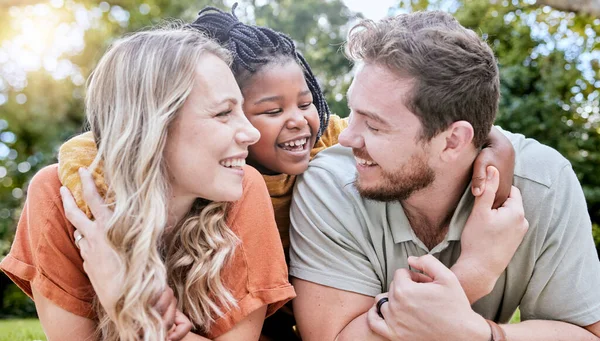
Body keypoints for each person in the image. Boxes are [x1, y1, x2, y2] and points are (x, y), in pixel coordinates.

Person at [55, 6, 524, 340]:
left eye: (305, 103)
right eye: (241, 112)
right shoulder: (225, 177)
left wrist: (492, 146)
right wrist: (104, 217)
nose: (299, 119)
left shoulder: (319, 147)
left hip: (285, 309)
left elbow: (430, 129)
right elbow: (91, 149)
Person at [289, 10, 600, 341]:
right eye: (353, 112)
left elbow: (586, 334)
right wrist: (474, 273)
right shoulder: (330, 184)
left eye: (375, 125)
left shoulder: (543, 183)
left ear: (453, 141)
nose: (347, 138)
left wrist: (483, 335)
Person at [0, 27, 296, 341]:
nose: (252, 133)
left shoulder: (241, 188)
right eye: (224, 112)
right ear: (152, 126)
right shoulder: (60, 196)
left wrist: (128, 302)